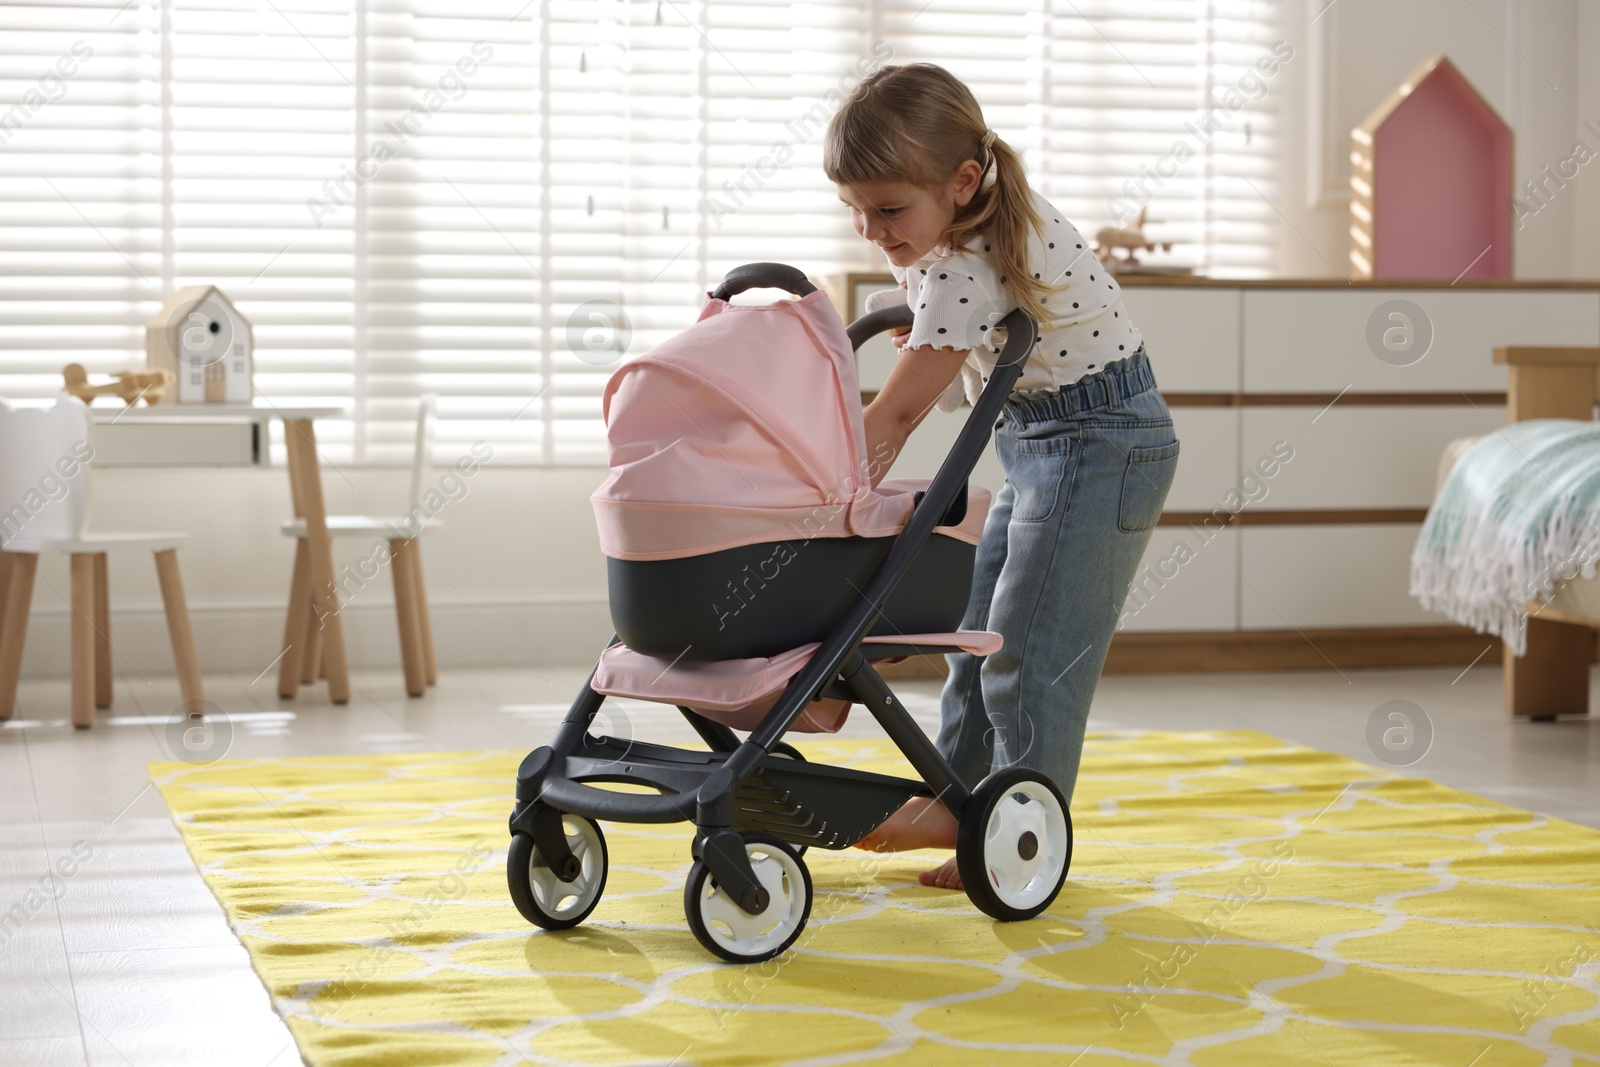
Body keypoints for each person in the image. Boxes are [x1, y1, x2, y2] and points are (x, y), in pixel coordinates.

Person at [825, 63, 1180, 890]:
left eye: (887, 210)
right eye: (854, 210)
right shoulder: (949, 236)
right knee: (979, 633)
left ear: (961, 181)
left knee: (1032, 649)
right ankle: (960, 795)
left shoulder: (962, 266)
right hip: (1040, 438)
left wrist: (830, 498)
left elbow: (901, 414)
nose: (871, 230)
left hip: (1104, 441)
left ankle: (1021, 829)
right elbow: (944, 373)